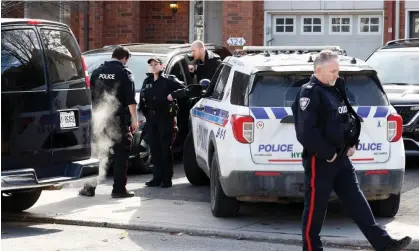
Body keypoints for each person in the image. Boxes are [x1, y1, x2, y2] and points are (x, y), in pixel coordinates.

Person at [291, 50, 411, 251]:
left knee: (358, 203)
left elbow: (345, 120)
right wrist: (328, 154)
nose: (336, 75)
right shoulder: (309, 93)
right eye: (333, 71)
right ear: (319, 70)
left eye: (337, 71)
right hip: (321, 161)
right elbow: (306, 133)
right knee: (315, 209)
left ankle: (384, 244)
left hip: (342, 160)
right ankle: (311, 248)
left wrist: (351, 142)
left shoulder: (335, 89)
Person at [79, 46, 138, 198]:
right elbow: (131, 100)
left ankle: (89, 188)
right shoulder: (125, 73)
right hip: (117, 120)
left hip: (99, 119)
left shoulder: (98, 71)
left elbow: (89, 95)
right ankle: (119, 189)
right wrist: (134, 119)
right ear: (124, 58)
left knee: (97, 152)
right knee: (121, 154)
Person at [139, 56, 187, 188]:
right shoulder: (147, 81)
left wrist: (173, 95)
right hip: (152, 119)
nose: (153, 66)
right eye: (151, 65)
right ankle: (156, 177)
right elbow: (143, 98)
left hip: (165, 118)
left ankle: (167, 179)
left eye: (156, 64)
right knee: (154, 148)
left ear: (162, 66)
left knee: (165, 148)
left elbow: (184, 90)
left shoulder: (168, 80)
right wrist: (144, 112)